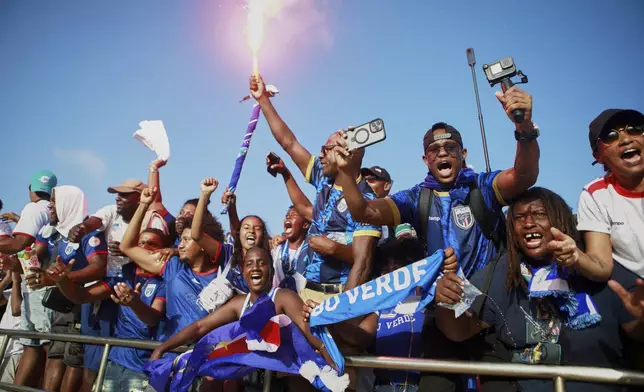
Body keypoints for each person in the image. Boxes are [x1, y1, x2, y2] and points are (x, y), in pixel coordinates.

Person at [332, 88, 540, 390]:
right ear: (425, 159)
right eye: (434, 149)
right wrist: (348, 174)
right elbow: (363, 211)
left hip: (489, 317)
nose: (442, 152)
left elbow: (524, 175)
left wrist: (523, 128)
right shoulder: (417, 197)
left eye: (451, 147)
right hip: (440, 316)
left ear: (463, 154)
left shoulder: (482, 186)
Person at [435, 187, 644, 392]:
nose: (528, 223)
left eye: (539, 214)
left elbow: (637, 331)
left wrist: (640, 320)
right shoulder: (500, 273)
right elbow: (459, 331)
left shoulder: (599, 267)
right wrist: (446, 302)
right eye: (519, 218)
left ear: (561, 220)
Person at [250, 74, 382, 298]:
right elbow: (288, 142)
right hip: (309, 292)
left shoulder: (366, 200)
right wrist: (263, 99)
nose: (319, 154)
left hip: (340, 295)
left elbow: (365, 262)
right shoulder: (324, 178)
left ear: (345, 153)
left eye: (326, 149)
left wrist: (334, 249)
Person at [149, 247, 336, 390]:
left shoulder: (283, 297)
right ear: (244, 271)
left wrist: (332, 366)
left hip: (279, 382)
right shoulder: (239, 303)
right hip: (247, 384)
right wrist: (164, 347)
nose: (255, 268)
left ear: (271, 270)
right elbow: (200, 327)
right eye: (249, 264)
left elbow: (311, 334)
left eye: (261, 263)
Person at [46, 228, 168, 392]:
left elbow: (152, 318)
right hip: (115, 360)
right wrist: (62, 281)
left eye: (152, 244)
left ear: (163, 249)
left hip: (143, 366)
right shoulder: (124, 273)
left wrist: (134, 303)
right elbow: (82, 296)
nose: (145, 247)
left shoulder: (166, 278)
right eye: (141, 243)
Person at [26, 186, 109, 392]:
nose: (50, 207)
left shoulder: (90, 235)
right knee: (55, 355)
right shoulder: (61, 236)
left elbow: (99, 267)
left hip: (81, 308)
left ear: (67, 204)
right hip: (60, 307)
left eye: (54, 201)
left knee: (74, 361)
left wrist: (57, 278)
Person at [119, 186, 223, 348]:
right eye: (180, 240)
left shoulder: (225, 275)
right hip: (169, 357)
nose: (180, 246)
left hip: (205, 360)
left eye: (187, 240)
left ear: (204, 243)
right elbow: (128, 247)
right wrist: (143, 205)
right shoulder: (172, 266)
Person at [577, 109, 644, 282]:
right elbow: (602, 265)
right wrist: (575, 256)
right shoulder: (594, 195)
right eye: (611, 136)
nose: (626, 139)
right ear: (598, 156)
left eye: (634, 128)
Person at [68, 177, 167, 278]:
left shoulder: (153, 220)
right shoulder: (111, 211)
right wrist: (80, 229)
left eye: (124, 195)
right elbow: (91, 223)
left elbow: (160, 255)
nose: (117, 198)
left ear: (139, 199)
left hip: (140, 280)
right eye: (118, 194)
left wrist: (130, 251)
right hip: (112, 279)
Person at [0, 271, 22, 390]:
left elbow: (16, 309)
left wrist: (16, 281)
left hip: (16, 349)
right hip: (3, 343)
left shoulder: (33, 287)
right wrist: (7, 278)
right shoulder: (16, 286)